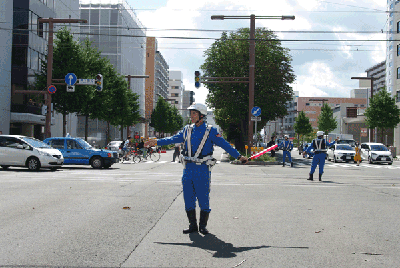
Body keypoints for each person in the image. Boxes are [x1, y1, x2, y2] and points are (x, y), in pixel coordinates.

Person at [144, 103, 248, 235]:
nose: (191, 116)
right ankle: (192, 225)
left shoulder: (211, 131)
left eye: (194, 113)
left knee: (203, 198)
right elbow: (173, 138)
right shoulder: (187, 129)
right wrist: (157, 141)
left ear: (202, 115)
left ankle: (203, 226)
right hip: (187, 169)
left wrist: (239, 156)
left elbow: (225, 145)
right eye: (191, 113)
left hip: (202, 169)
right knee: (188, 197)